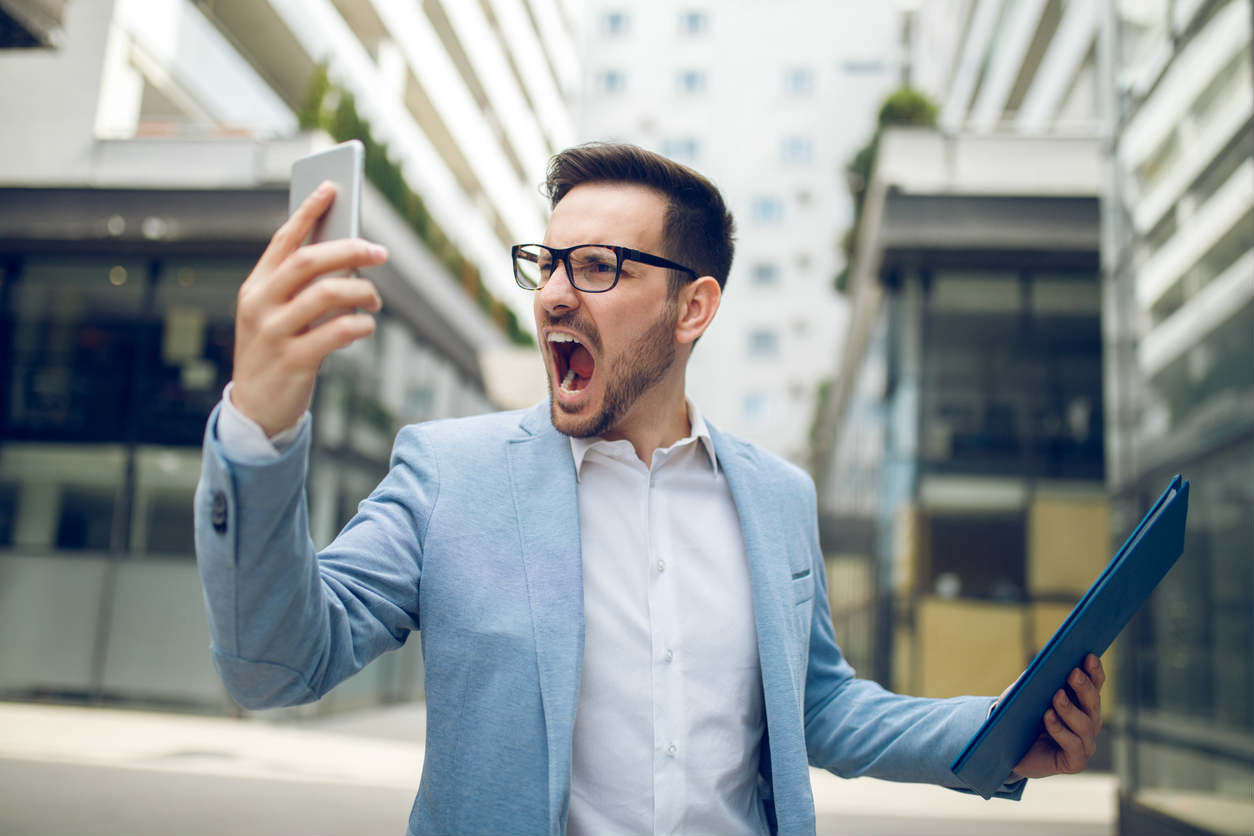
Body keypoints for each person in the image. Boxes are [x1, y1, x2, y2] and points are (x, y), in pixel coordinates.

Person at [194, 143, 1106, 836]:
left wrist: (995, 731)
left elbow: (818, 705)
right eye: (547, 263)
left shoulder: (779, 498)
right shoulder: (448, 475)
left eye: (597, 267)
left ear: (694, 307)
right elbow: (274, 663)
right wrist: (259, 428)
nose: (554, 294)